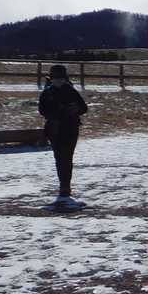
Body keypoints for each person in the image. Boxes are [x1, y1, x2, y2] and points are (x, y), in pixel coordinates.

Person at [38, 63, 88, 206]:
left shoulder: (70, 91)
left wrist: (74, 110)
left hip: (70, 128)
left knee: (66, 157)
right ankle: (64, 186)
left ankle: (65, 186)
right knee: (60, 157)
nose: (58, 81)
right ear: (52, 79)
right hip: (55, 129)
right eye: (56, 78)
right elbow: (42, 110)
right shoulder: (47, 93)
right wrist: (57, 113)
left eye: (60, 78)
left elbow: (83, 108)